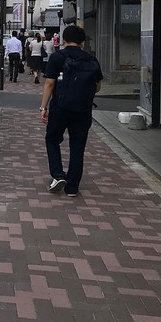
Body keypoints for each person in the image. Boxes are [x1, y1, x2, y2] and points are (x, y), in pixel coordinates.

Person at [39, 25, 103, 197]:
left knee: (52, 139)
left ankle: (58, 174)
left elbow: (49, 83)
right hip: (83, 110)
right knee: (77, 147)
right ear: (82, 42)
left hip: (60, 108)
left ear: (64, 41)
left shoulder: (57, 57)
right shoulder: (91, 59)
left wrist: (43, 107)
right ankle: (73, 187)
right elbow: (97, 86)